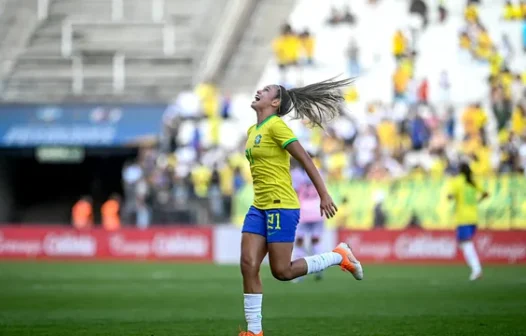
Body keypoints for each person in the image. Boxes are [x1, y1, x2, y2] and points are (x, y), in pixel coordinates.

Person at [239, 78, 363, 336]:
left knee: (282, 272)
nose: (259, 90)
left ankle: (338, 256)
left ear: (275, 103)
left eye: (266, 90)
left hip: (281, 206)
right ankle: (254, 332)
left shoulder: (276, 126)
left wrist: (324, 194)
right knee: (248, 264)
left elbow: (305, 158)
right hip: (259, 206)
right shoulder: (253, 131)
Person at [447, 161, 489, 281]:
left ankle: (476, 270)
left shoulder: (457, 181)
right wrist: (477, 202)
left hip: (463, 218)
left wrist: (451, 197)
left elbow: (450, 196)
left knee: (466, 244)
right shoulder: (473, 181)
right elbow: (486, 193)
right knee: (462, 243)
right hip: (474, 217)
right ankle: (476, 268)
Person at [290, 154, 326, 282]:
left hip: (303, 210)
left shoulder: (296, 174)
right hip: (317, 210)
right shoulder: (319, 172)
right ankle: (320, 267)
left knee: (299, 240)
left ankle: (298, 274)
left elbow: (293, 191)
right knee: (316, 240)